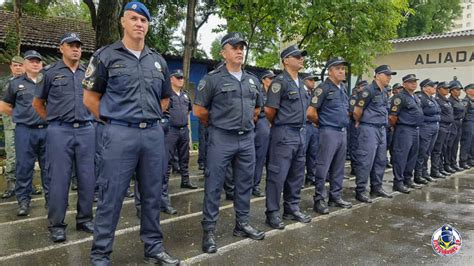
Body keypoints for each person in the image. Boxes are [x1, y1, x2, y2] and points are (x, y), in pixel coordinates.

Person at [82, 2, 179, 265]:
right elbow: (90, 98)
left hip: (152, 135)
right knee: (110, 197)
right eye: (133, 18)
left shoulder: (158, 61)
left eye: (143, 20)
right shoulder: (106, 56)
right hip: (119, 135)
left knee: (152, 195)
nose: (139, 24)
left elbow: (165, 100)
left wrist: (145, 119)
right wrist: (116, 121)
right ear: (122, 22)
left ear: (148, 26)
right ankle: (101, 255)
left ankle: (154, 248)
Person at [194, 32, 265, 254]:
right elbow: (199, 111)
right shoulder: (212, 79)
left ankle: (242, 224)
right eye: (234, 47)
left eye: (241, 47)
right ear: (223, 52)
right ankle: (209, 230)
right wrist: (218, 126)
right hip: (221, 137)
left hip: (246, 139)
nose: (239, 51)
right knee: (214, 185)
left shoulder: (252, 80)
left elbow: (257, 109)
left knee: (244, 184)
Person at [33, 32, 96, 242]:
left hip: (86, 130)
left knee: (87, 177)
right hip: (59, 131)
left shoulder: (88, 72)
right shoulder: (50, 73)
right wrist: (54, 120)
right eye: (71, 45)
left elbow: (96, 97)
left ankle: (85, 219)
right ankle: (57, 225)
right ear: (61, 48)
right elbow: (38, 104)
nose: (76, 48)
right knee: (59, 179)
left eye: (78, 45)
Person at [264, 45, 312, 229]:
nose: (301, 59)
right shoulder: (279, 82)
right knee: (278, 174)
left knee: (297, 173)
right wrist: (281, 125)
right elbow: (269, 111)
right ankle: (272, 213)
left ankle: (292, 208)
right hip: (284, 132)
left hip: (300, 132)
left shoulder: (300, 82)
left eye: (302, 56)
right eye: (297, 56)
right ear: (285, 60)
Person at [0, 50, 48, 216]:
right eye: (31, 61)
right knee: (24, 167)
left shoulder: (48, 82)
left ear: (42, 64)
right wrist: (20, 116)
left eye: (38, 61)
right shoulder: (15, 83)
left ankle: (51, 200)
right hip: (25, 131)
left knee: (49, 168)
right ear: (25, 64)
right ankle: (23, 201)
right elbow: (4, 106)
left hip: (46, 131)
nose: (35, 64)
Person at [307, 57, 353, 215]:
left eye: (343, 68)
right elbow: (311, 113)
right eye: (338, 68)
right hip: (328, 131)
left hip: (341, 132)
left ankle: (335, 196)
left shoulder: (342, 88)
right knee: (323, 166)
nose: (342, 71)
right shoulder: (323, 88)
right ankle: (319, 199)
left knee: (338, 167)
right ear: (330, 71)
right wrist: (323, 124)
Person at [352, 65, 394, 203]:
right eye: (386, 75)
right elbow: (357, 110)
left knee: (380, 160)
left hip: (381, 129)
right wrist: (359, 122)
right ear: (377, 75)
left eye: (390, 75)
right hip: (369, 128)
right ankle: (361, 190)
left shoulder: (383, 92)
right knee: (366, 160)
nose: (389, 77)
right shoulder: (368, 90)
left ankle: (376, 187)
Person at [161, 69, 196, 215]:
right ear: (171, 79)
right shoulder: (167, 95)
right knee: (167, 160)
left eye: (182, 78)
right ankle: (163, 192)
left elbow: (188, 111)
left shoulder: (186, 95)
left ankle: (185, 180)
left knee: (184, 157)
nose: (181, 80)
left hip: (183, 130)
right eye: (178, 77)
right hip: (171, 130)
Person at [389, 74, 424, 193]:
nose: (414, 83)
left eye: (415, 81)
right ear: (404, 84)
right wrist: (398, 127)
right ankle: (398, 182)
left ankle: (407, 179)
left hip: (415, 129)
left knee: (412, 156)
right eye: (410, 82)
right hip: (404, 129)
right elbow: (393, 117)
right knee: (401, 156)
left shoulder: (415, 97)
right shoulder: (399, 97)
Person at [1, 56, 24, 199]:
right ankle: (11, 184)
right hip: (10, 124)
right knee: (11, 155)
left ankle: (27, 184)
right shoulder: (4, 83)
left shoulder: (32, 82)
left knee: (27, 155)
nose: (18, 68)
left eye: (20, 65)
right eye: (15, 65)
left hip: (26, 124)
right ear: (11, 67)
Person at [252, 70, 274, 197]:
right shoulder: (259, 93)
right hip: (262, 124)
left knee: (273, 158)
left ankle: (270, 185)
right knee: (260, 157)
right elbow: (255, 110)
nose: (272, 81)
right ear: (264, 80)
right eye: (270, 79)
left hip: (273, 125)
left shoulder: (275, 93)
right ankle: (254, 185)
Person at [414, 79, 441, 181]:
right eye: (432, 86)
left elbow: (438, 112)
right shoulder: (421, 98)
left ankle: (424, 173)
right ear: (425, 88)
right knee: (422, 151)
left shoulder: (432, 99)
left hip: (434, 127)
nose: (435, 88)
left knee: (428, 151)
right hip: (425, 127)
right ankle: (418, 175)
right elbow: (419, 115)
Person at [430, 82, 454, 178]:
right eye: (445, 88)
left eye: (448, 88)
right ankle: (435, 170)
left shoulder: (445, 100)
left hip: (448, 126)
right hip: (441, 126)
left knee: (443, 148)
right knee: (437, 149)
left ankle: (441, 168)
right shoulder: (437, 100)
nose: (447, 90)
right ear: (439, 89)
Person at [302, 73, 320, 186]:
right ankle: (299, 179)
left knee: (313, 153)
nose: (313, 82)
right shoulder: (301, 92)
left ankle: (311, 176)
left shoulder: (314, 94)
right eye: (311, 80)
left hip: (312, 126)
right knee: (301, 153)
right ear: (305, 81)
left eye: (314, 80)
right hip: (303, 125)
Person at [348, 80, 368, 175]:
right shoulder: (354, 98)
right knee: (354, 145)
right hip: (354, 123)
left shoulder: (366, 98)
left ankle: (360, 166)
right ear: (359, 88)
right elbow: (351, 112)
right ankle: (354, 166)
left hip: (364, 124)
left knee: (362, 146)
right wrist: (357, 120)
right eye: (363, 86)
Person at [445, 80, 465, 172]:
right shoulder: (450, 101)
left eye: (460, 90)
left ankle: (453, 163)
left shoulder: (459, 100)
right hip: (453, 123)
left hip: (459, 123)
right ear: (452, 91)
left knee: (456, 145)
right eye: (457, 89)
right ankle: (448, 164)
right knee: (450, 145)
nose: (459, 91)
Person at [460, 83, 474, 169]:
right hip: (468, 123)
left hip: (472, 122)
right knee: (467, 142)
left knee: (472, 142)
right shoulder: (466, 101)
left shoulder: (472, 100)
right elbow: (463, 113)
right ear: (468, 91)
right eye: (472, 89)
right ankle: (463, 160)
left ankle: (471, 159)